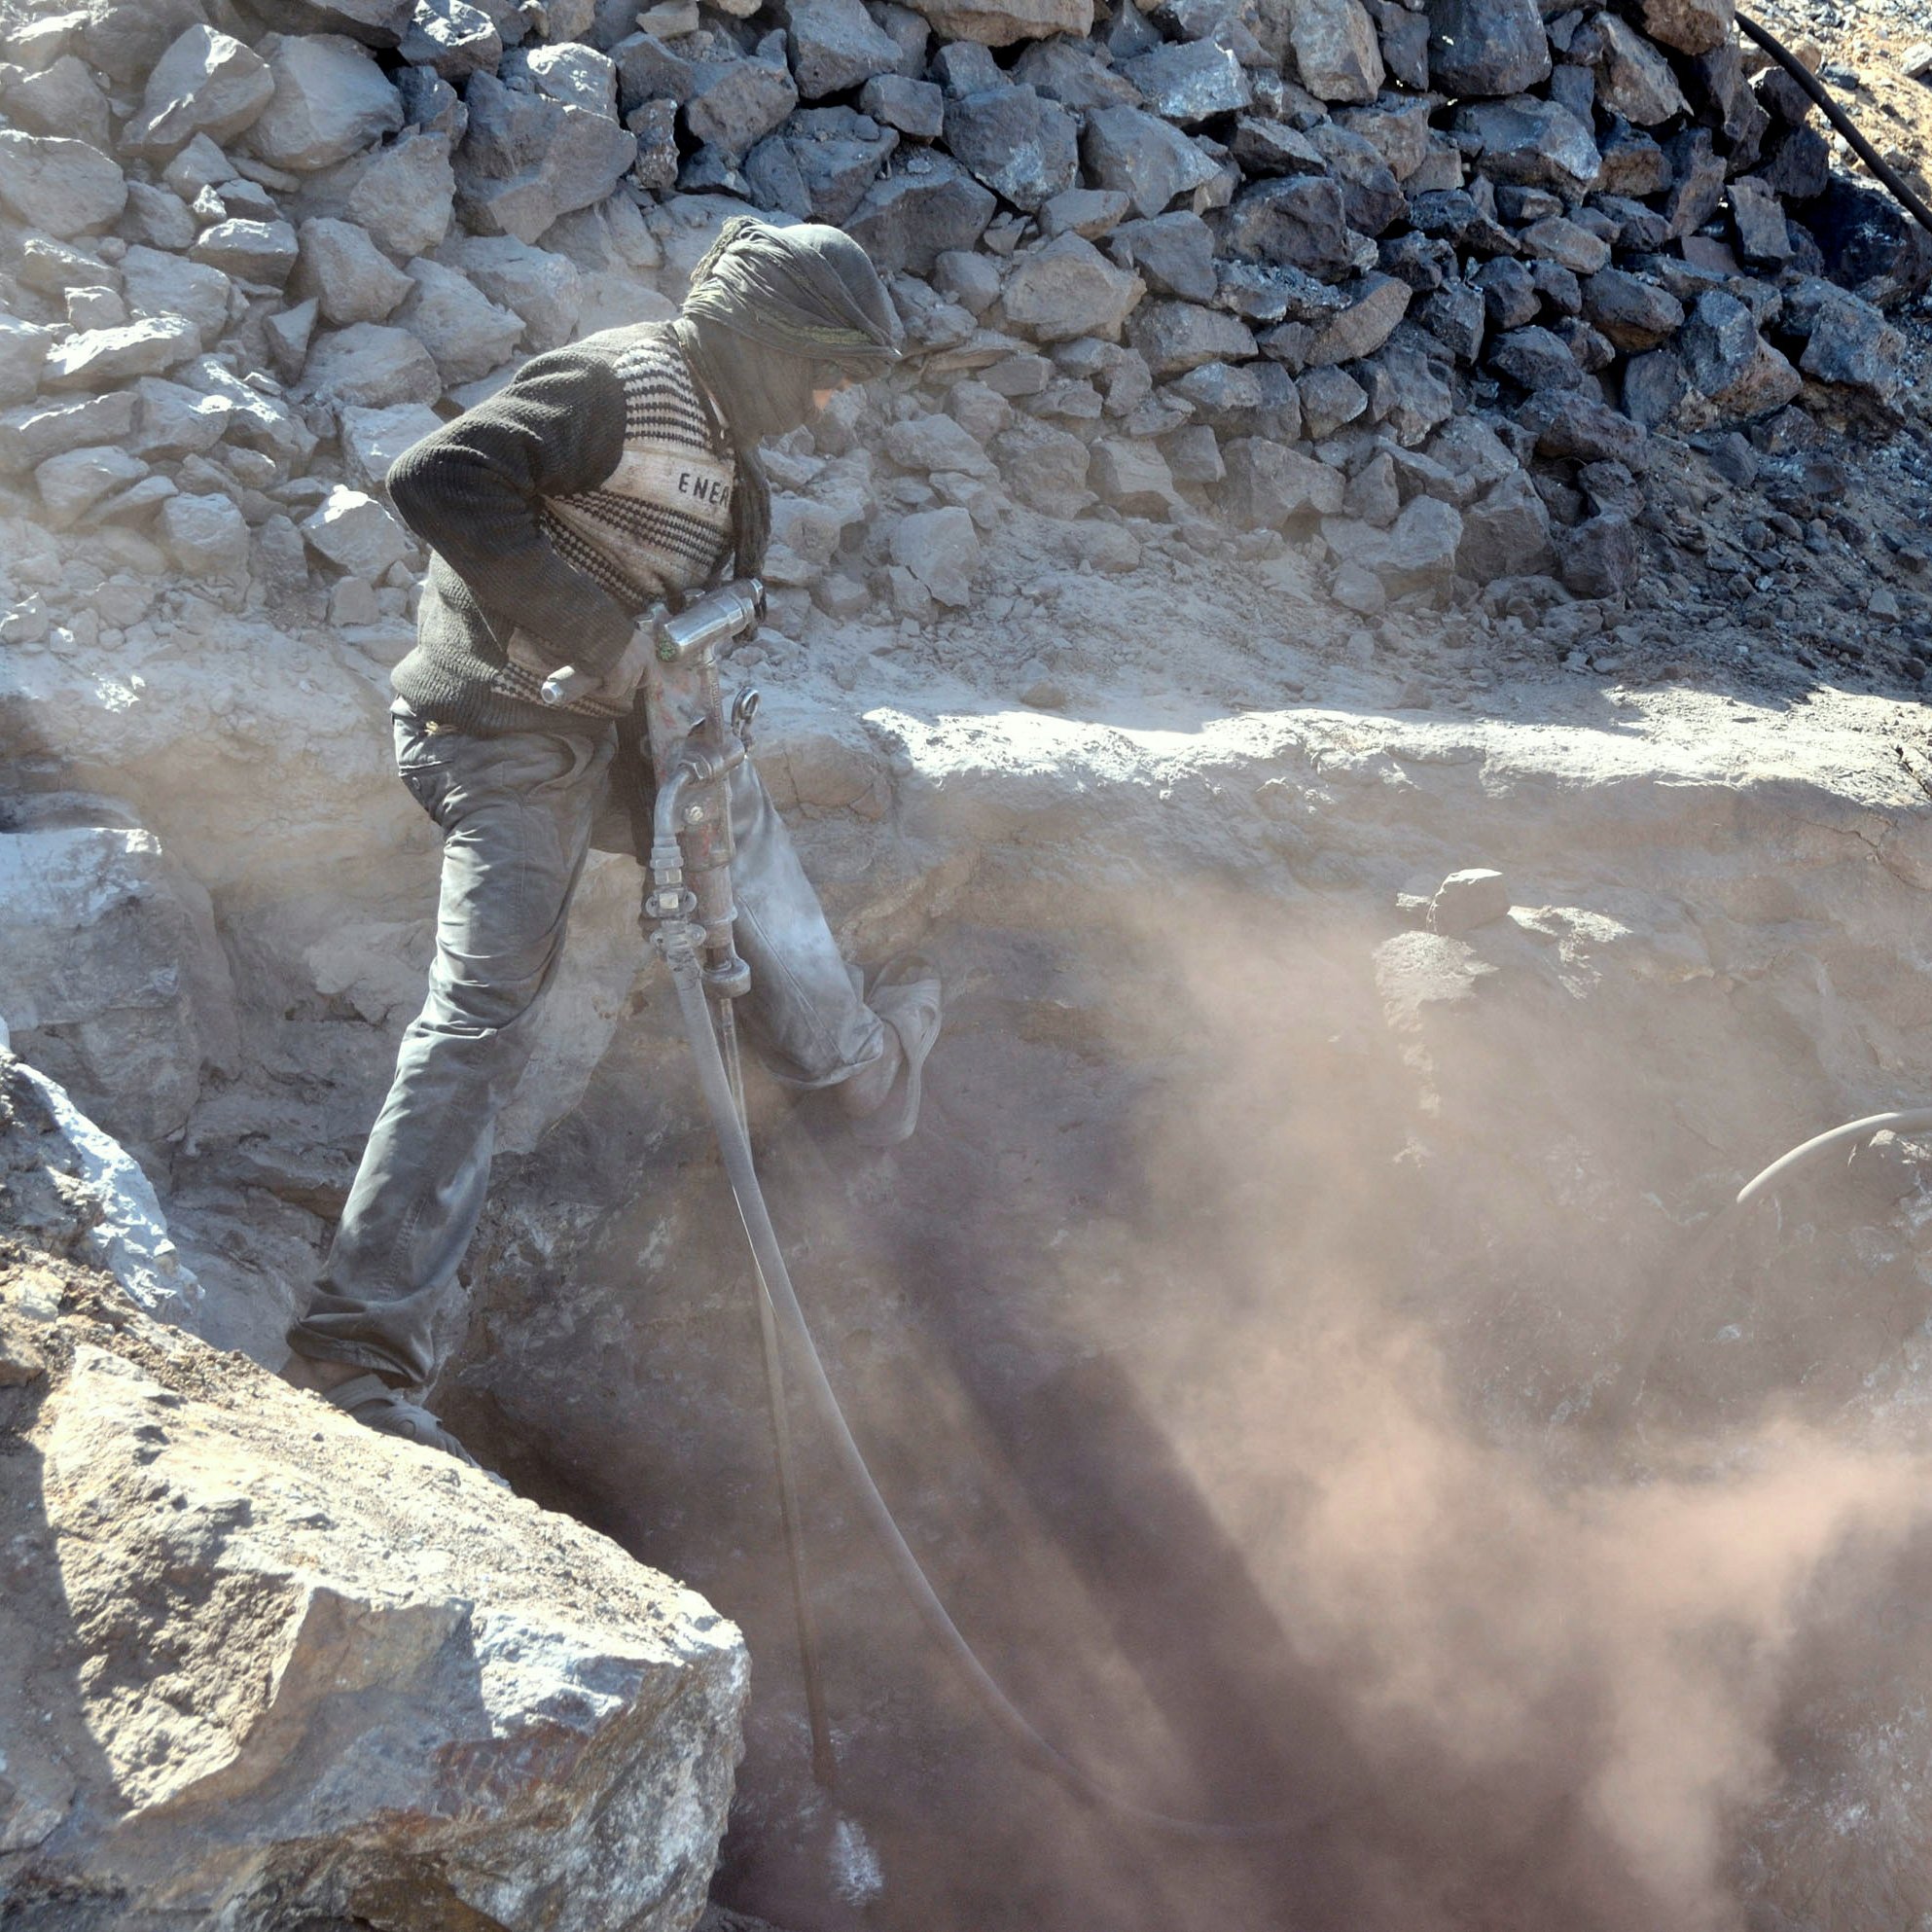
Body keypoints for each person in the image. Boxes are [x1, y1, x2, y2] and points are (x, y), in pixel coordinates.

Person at [280, 218, 942, 1467]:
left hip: (627, 743)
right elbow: (437, 478)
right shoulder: (619, 385)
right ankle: (355, 1351)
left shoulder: (732, 465)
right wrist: (601, 633)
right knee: (484, 1013)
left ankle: (857, 1074)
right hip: (503, 734)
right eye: (822, 374)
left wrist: (678, 728)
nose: (828, 404)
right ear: (766, 342)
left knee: (752, 855)